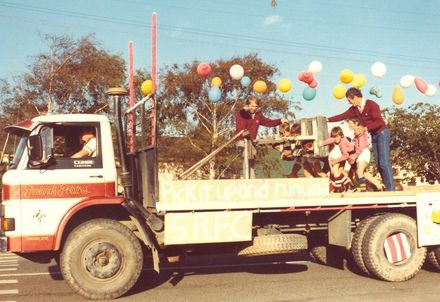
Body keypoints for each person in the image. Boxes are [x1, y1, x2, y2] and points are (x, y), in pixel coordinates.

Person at [327, 87, 395, 191]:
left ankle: (391, 189)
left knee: (384, 162)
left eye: (349, 100)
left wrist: (365, 128)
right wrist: (327, 119)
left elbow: (379, 122)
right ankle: (386, 186)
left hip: (382, 133)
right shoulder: (354, 109)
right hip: (374, 135)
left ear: (355, 98)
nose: (349, 103)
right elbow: (342, 116)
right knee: (378, 164)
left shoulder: (372, 104)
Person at [235, 95, 288, 178]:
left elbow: (268, 122)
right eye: (252, 106)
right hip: (242, 141)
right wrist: (245, 112)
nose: (254, 108)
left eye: (256, 106)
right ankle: (249, 181)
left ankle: (251, 179)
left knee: (251, 162)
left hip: (251, 141)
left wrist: (280, 121)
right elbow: (241, 128)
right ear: (247, 105)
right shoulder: (241, 113)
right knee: (247, 160)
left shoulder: (258, 115)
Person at [318, 126, 354, 192]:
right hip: (334, 159)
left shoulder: (342, 142)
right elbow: (330, 157)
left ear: (341, 135)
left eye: (337, 136)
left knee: (336, 171)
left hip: (340, 158)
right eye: (334, 137)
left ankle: (338, 188)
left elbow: (345, 155)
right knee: (337, 173)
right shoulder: (332, 144)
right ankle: (349, 185)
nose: (335, 139)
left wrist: (335, 161)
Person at [347, 117, 371, 192]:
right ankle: (377, 186)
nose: (349, 125)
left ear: (356, 123)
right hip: (361, 153)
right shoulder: (357, 133)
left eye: (350, 123)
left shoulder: (359, 131)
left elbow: (361, 146)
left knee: (359, 172)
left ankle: (364, 191)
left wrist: (354, 156)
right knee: (360, 174)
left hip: (363, 152)